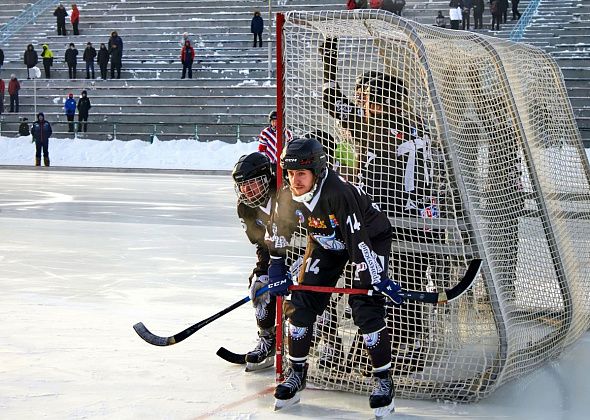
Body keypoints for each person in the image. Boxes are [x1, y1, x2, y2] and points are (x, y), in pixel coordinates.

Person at [265, 137, 401, 417]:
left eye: (301, 173)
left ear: (317, 170)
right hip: (326, 241)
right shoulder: (289, 193)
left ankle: (384, 380)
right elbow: (280, 229)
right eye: (290, 174)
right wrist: (276, 266)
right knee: (301, 303)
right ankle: (297, 372)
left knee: (365, 306)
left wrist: (376, 276)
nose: (295, 180)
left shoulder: (338, 192)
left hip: (369, 239)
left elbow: (358, 241)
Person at [231, 152, 278, 371]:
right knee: (259, 286)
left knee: (310, 288)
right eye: (242, 186)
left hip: (304, 252)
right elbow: (261, 245)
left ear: (267, 178)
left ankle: (329, 343)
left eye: (252, 184)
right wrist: (262, 271)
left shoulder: (288, 193)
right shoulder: (245, 206)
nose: (246, 191)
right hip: (275, 254)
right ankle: (267, 338)